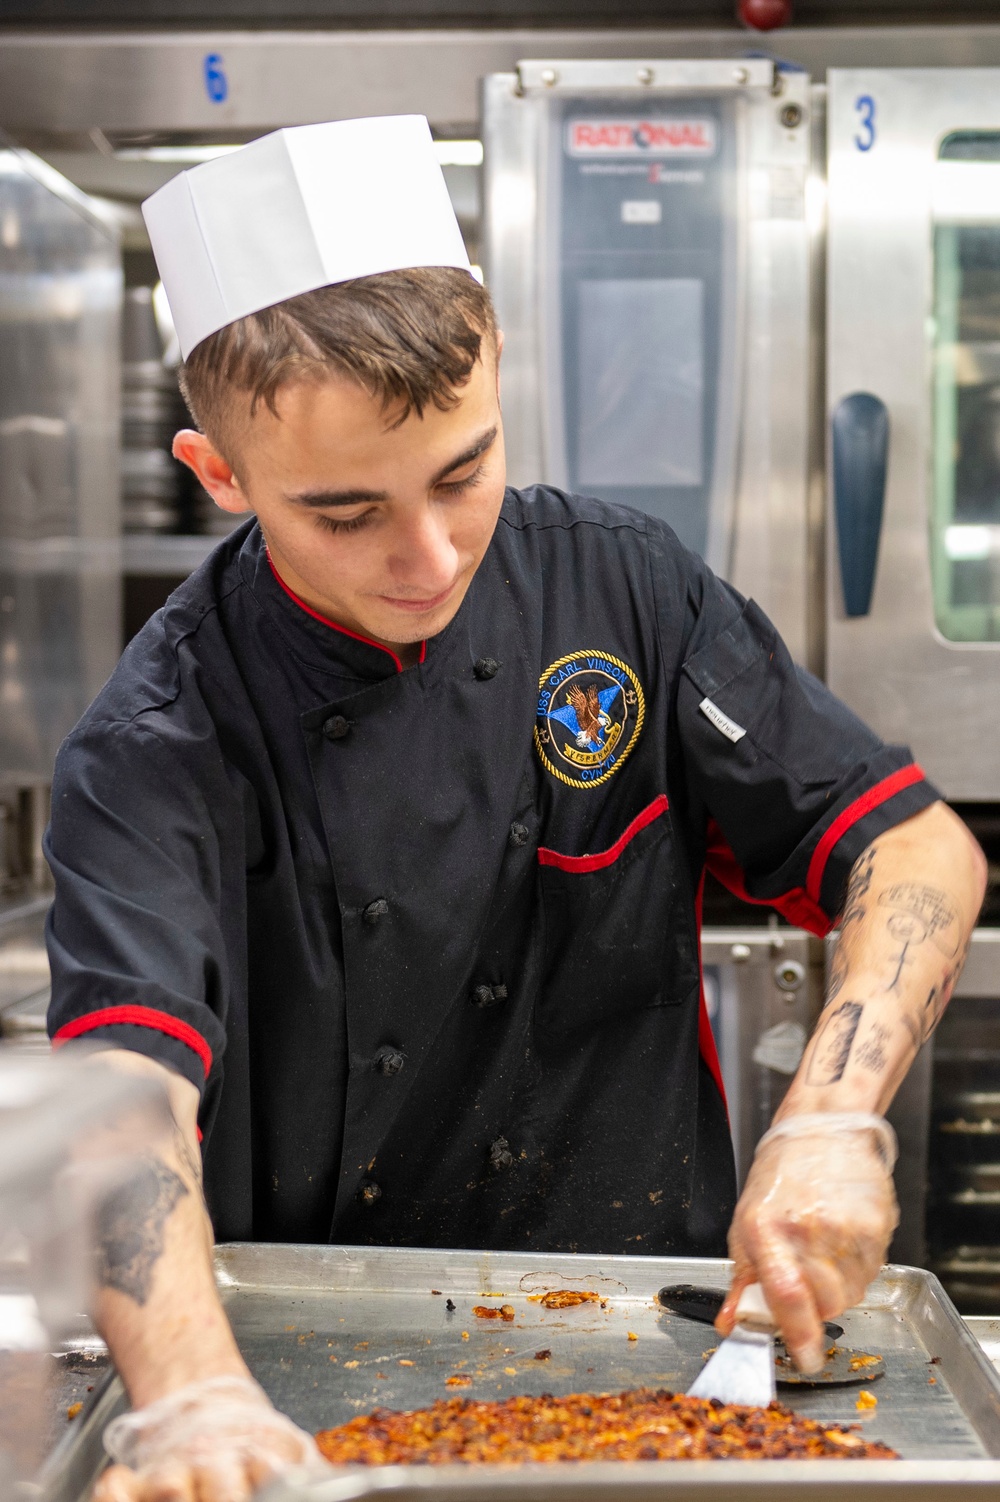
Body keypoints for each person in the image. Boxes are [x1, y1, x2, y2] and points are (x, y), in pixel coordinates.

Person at [45, 117, 985, 1501]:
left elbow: (911, 842)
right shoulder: (157, 738)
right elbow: (122, 1100)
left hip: (662, 1333)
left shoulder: (623, 590)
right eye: (347, 510)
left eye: (463, 471)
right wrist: (187, 1392)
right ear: (221, 477)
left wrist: (835, 1115)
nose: (429, 557)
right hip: (299, 1364)